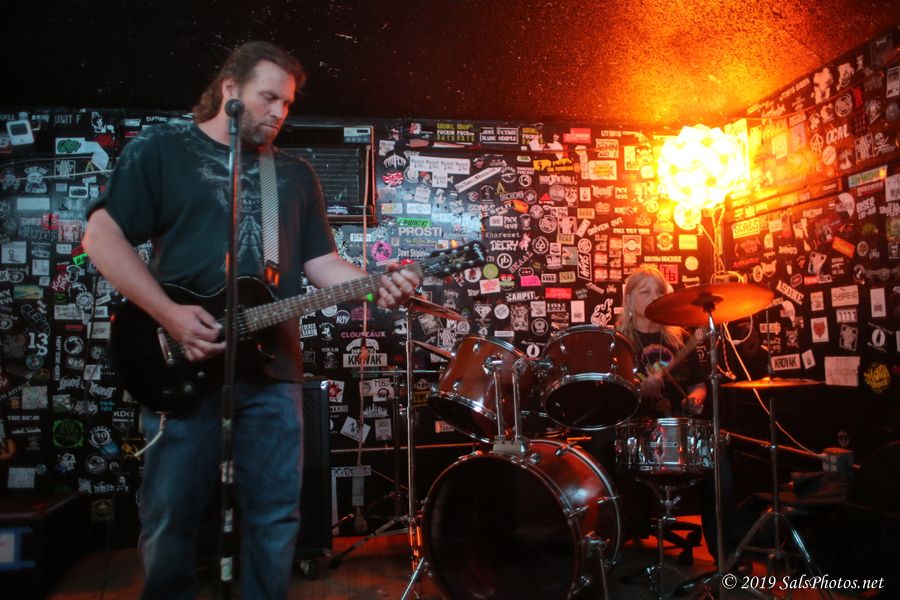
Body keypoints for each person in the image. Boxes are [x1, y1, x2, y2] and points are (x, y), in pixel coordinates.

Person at [83, 41, 419, 600]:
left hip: (272, 371)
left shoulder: (291, 173)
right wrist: (169, 315)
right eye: (268, 98)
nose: (278, 112)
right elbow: (101, 236)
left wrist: (377, 284)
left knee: (276, 514)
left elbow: (321, 264)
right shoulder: (162, 149)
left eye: (286, 104)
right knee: (170, 515)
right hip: (181, 361)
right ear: (230, 89)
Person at [615, 265, 742, 568]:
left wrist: (696, 398)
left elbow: (699, 383)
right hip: (636, 431)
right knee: (599, 449)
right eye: (645, 291)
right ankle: (611, 544)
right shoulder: (618, 342)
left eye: (659, 291)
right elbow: (612, 394)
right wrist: (639, 390)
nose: (653, 296)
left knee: (719, 462)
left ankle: (727, 554)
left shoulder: (679, 337)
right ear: (629, 298)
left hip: (680, 431)